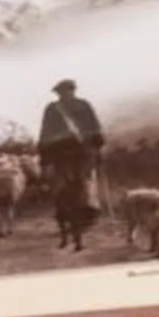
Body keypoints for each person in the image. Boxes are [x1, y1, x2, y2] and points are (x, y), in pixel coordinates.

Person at [37, 79, 106, 251]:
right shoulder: (52, 110)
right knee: (61, 193)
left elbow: (96, 130)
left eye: (69, 90)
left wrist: (97, 144)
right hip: (62, 158)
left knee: (86, 190)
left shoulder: (84, 106)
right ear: (58, 93)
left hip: (83, 156)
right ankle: (65, 223)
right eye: (63, 91)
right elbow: (45, 134)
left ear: (74, 90)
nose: (67, 93)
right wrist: (45, 160)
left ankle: (85, 220)